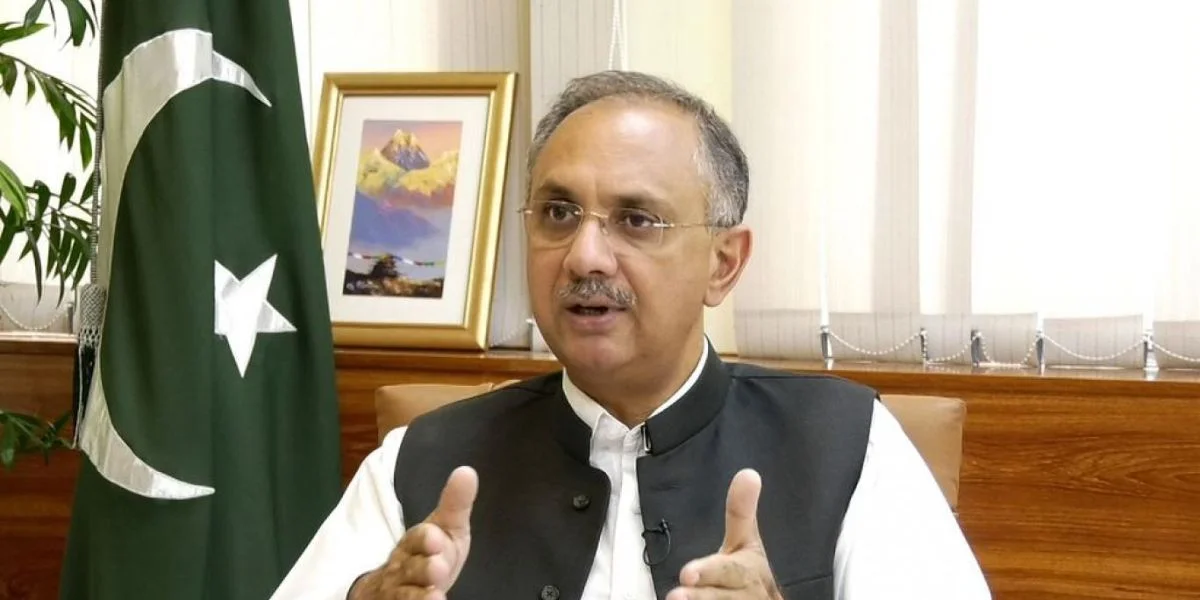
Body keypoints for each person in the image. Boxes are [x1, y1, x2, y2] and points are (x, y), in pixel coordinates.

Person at [271, 70, 992, 600]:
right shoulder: (421, 460)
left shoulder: (848, 445)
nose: (584, 256)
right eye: (558, 214)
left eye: (636, 220)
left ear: (723, 263)